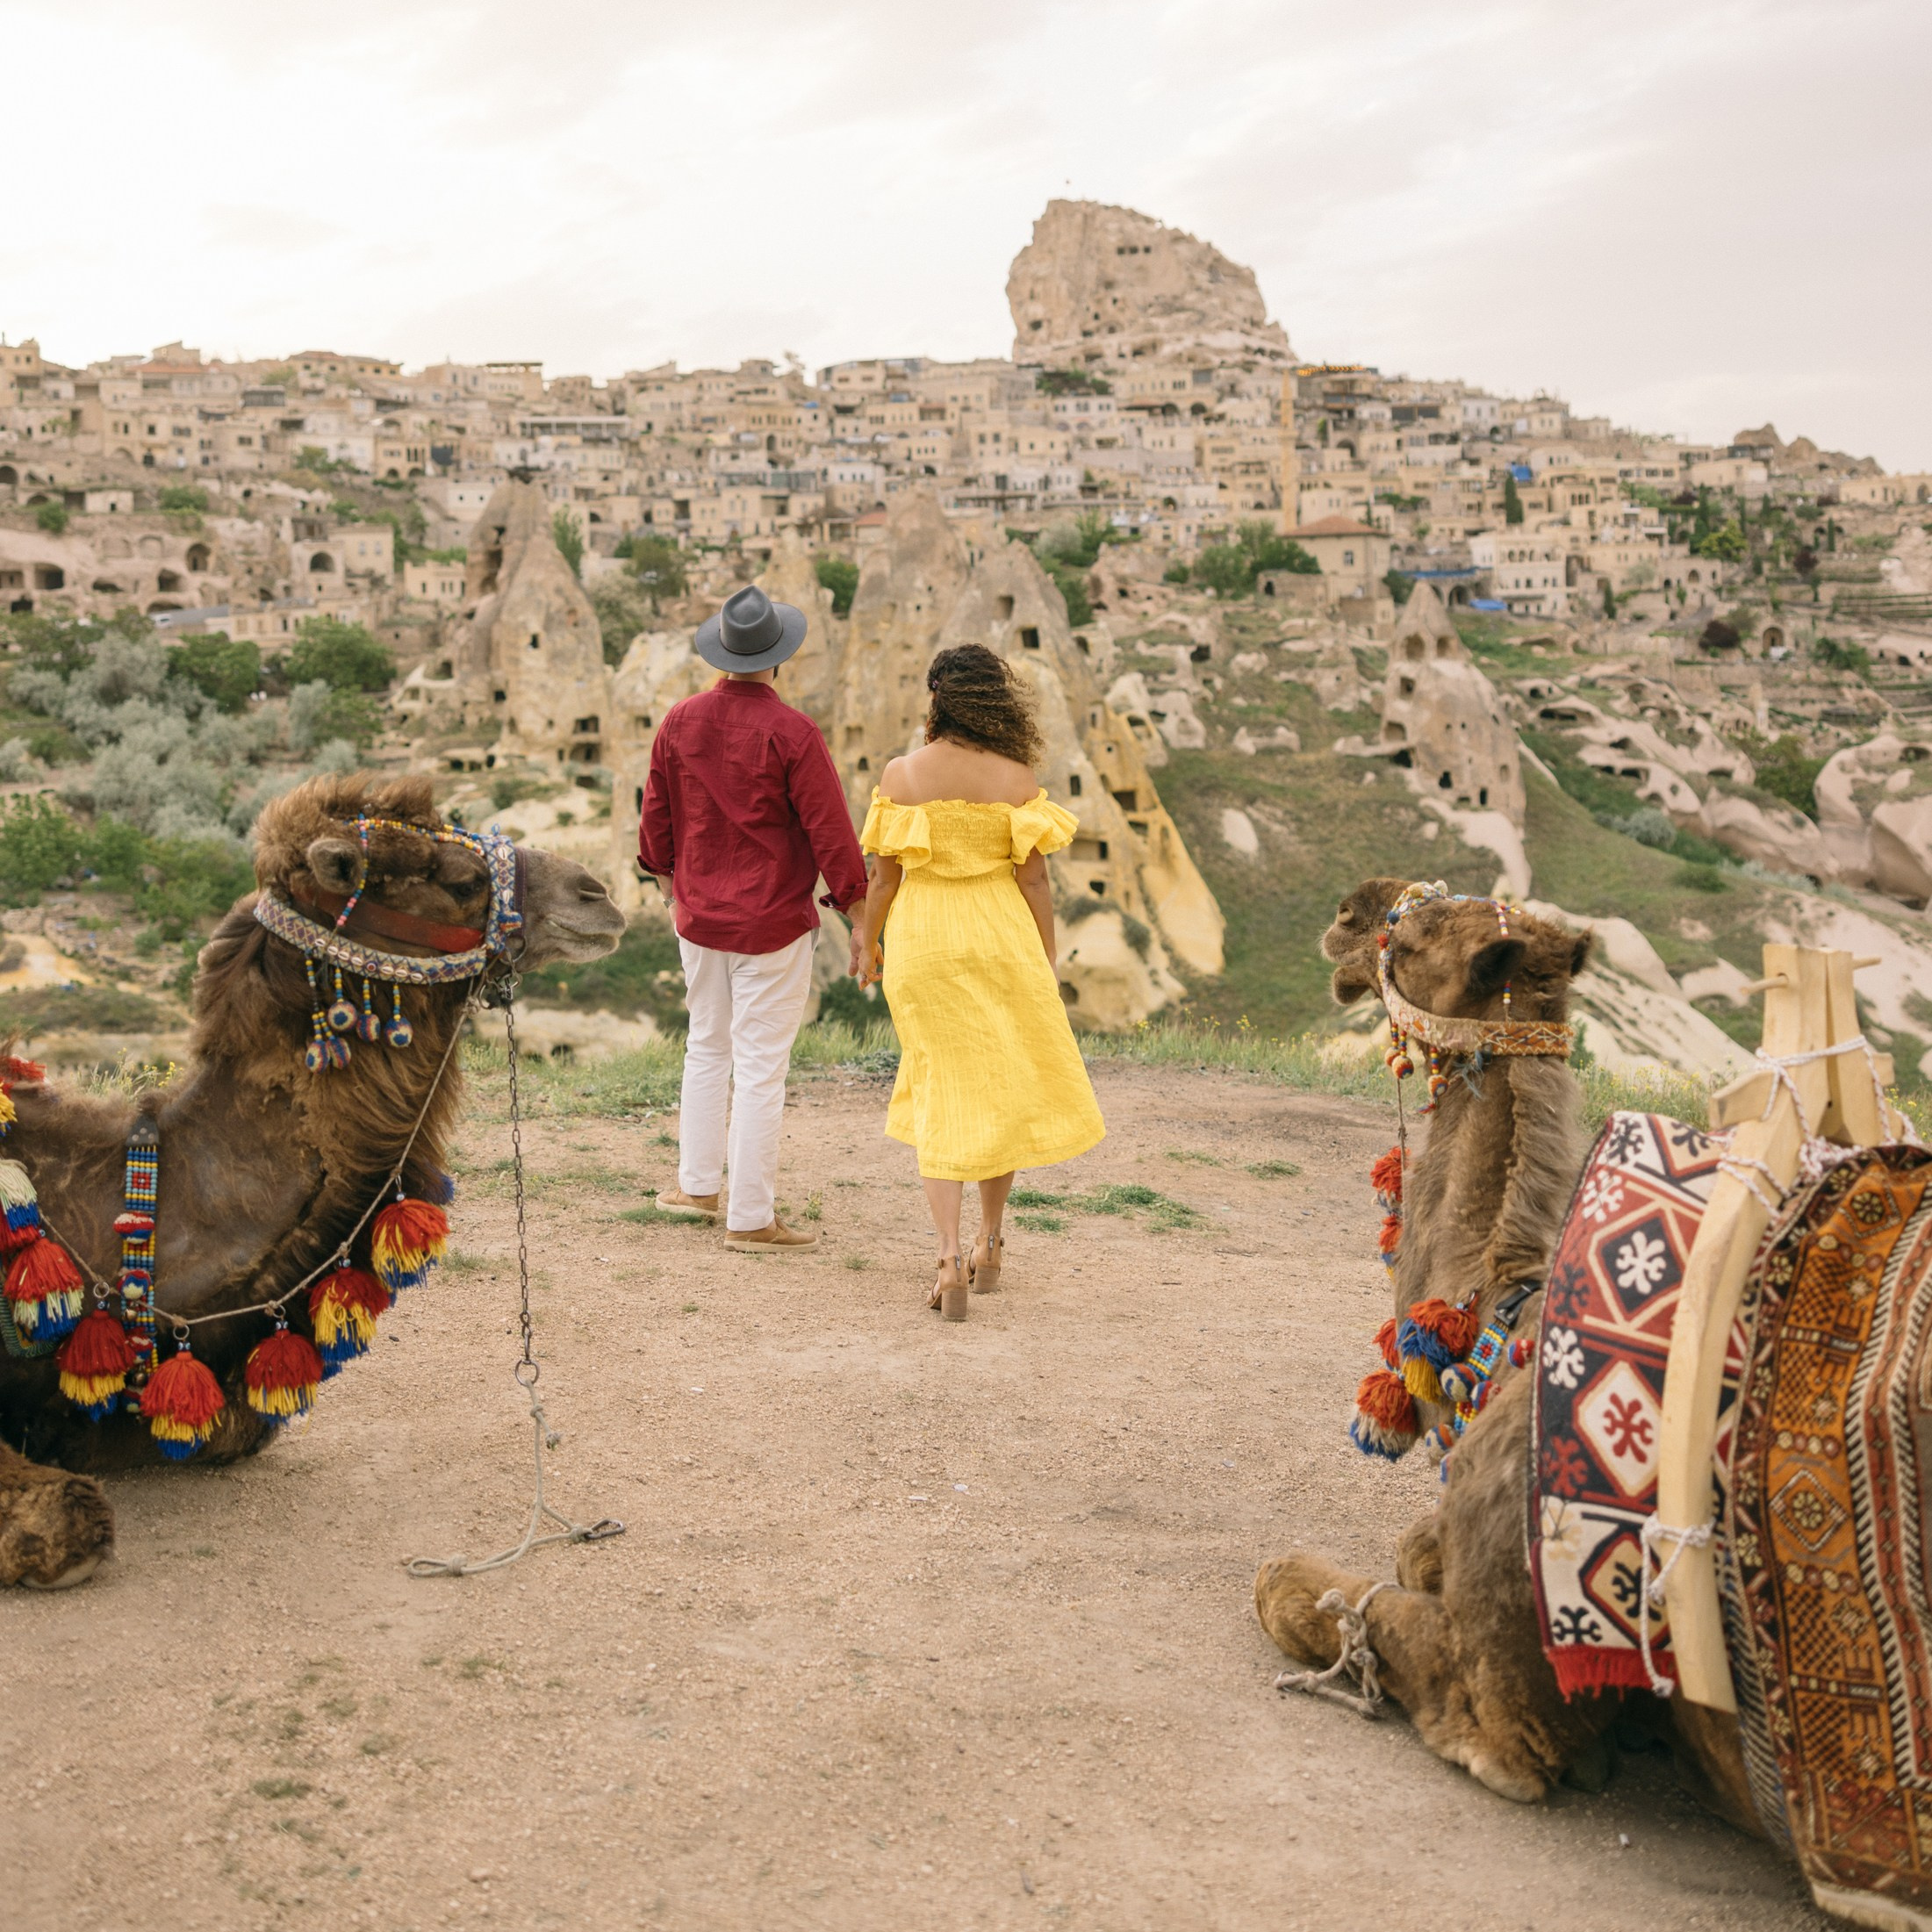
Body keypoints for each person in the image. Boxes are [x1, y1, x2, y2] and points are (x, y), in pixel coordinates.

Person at [851, 643, 1104, 1318]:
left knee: (939, 1085)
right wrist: (1045, 958)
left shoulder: (902, 774)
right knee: (999, 1083)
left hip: (925, 940)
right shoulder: (1016, 777)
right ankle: (989, 1244)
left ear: (936, 697)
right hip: (1001, 937)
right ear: (997, 700)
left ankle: (946, 1257)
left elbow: (883, 880)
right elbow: (1034, 879)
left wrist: (868, 944)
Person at [637, 585, 866, 1253]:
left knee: (707, 1046)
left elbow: (655, 819)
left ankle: (697, 1188)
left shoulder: (680, 721)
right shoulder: (793, 733)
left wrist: (670, 892)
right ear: (778, 657)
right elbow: (830, 832)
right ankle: (750, 1218)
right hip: (772, 923)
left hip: (698, 918)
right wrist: (858, 915)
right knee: (761, 1067)